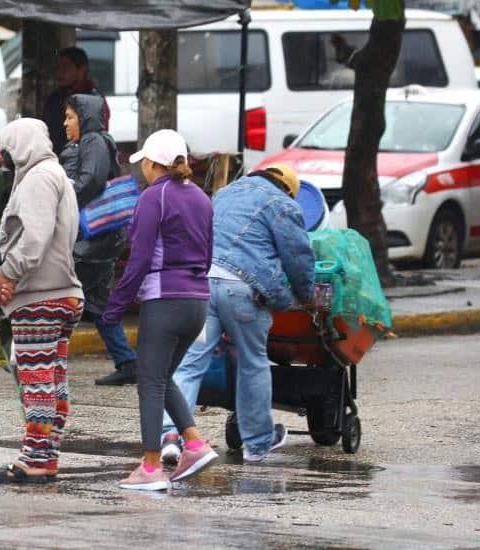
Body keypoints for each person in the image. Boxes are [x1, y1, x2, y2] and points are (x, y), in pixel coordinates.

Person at [160, 164, 316, 464]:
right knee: (252, 362)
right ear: (287, 188)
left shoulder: (224, 194)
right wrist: (306, 296)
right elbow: (297, 258)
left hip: (202, 286)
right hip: (244, 291)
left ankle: (171, 436)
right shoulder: (281, 203)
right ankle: (257, 444)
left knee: (190, 363)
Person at [102, 130, 217, 491]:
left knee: (149, 382)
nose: (143, 173)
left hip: (164, 301)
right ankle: (195, 445)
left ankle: (151, 467)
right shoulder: (201, 197)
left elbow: (137, 260)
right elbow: (209, 252)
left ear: (154, 164)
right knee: (162, 377)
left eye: (145, 166)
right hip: (198, 301)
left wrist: (114, 308)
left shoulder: (155, 197)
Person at [0, 118, 84, 484]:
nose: (6, 161)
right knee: (52, 380)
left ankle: (33, 459)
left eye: (7, 153)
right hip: (62, 293)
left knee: (36, 381)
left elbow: (34, 239)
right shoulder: (55, 174)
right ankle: (47, 457)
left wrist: (6, 274)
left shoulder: (39, 179)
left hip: (41, 296)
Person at [59, 94, 137, 386]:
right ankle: (127, 362)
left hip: (91, 240)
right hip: (101, 239)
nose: (65, 123)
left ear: (85, 118)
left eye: (70, 117)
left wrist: (64, 196)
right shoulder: (92, 141)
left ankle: (40, 357)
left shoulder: (92, 141)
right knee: (99, 304)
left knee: (59, 295)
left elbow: (90, 181)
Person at [43, 47, 110, 155]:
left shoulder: (94, 100)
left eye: (66, 67)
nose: (60, 72)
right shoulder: (54, 98)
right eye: (58, 67)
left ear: (81, 70)